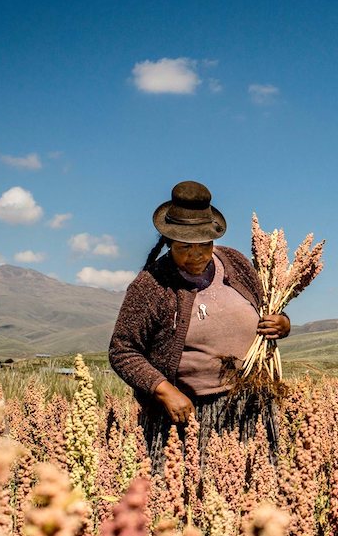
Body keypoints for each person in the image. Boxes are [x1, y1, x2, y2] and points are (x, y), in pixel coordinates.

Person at [109, 180, 291, 465]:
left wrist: (282, 324)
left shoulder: (235, 263)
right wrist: (164, 390)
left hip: (250, 404)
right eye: (184, 247)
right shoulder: (151, 285)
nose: (196, 255)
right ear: (168, 243)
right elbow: (123, 350)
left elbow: (266, 308)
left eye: (204, 245)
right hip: (189, 413)